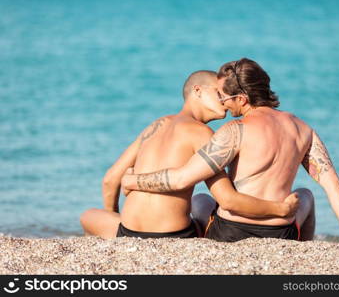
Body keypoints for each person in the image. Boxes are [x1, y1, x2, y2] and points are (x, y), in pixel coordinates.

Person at [122, 58, 339, 246]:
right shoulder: (302, 128)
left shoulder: (235, 130)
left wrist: (133, 180)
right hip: (280, 230)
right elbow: (332, 184)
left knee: (201, 201)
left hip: (231, 231)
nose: (224, 106)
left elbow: (182, 179)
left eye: (225, 98)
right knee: (306, 195)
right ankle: (301, 248)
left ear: (242, 99)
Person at [80, 70, 299, 239]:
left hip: (127, 232)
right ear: (197, 91)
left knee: (88, 216)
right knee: (204, 207)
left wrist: (119, 220)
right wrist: (280, 209)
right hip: (174, 236)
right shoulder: (203, 134)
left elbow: (110, 180)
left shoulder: (156, 125)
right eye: (219, 94)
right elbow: (228, 199)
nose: (225, 100)